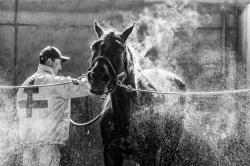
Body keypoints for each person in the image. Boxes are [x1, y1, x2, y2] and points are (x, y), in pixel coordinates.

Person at [16, 46, 92, 166]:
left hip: (27, 147)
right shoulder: (55, 82)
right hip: (47, 146)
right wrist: (94, 76)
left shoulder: (23, 86)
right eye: (59, 62)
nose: (60, 67)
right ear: (49, 61)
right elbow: (86, 87)